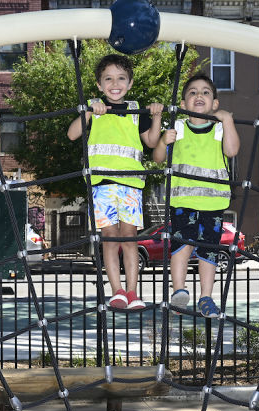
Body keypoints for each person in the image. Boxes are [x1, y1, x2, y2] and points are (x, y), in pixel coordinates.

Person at [67, 54, 163, 310]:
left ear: (130, 84)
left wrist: (156, 116)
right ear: (99, 85)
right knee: (109, 237)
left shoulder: (136, 110)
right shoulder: (95, 108)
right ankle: (117, 291)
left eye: (121, 78)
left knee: (129, 237)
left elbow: (152, 142)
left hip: (130, 183)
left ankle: (132, 292)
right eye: (108, 79)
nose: (115, 83)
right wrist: (89, 111)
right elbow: (72, 134)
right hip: (102, 183)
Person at [152, 73, 240, 318]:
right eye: (192, 92)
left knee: (209, 249)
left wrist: (228, 120)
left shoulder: (220, 129)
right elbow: (158, 159)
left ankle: (206, 297)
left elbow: (232, 150)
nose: (199, 95)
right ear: (183, 104)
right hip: (183, 201)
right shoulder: (178, 128)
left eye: (205, 92)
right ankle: (179, 291)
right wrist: (163, 141)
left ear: (215, 104)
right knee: (181, 245)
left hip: (213, 202)